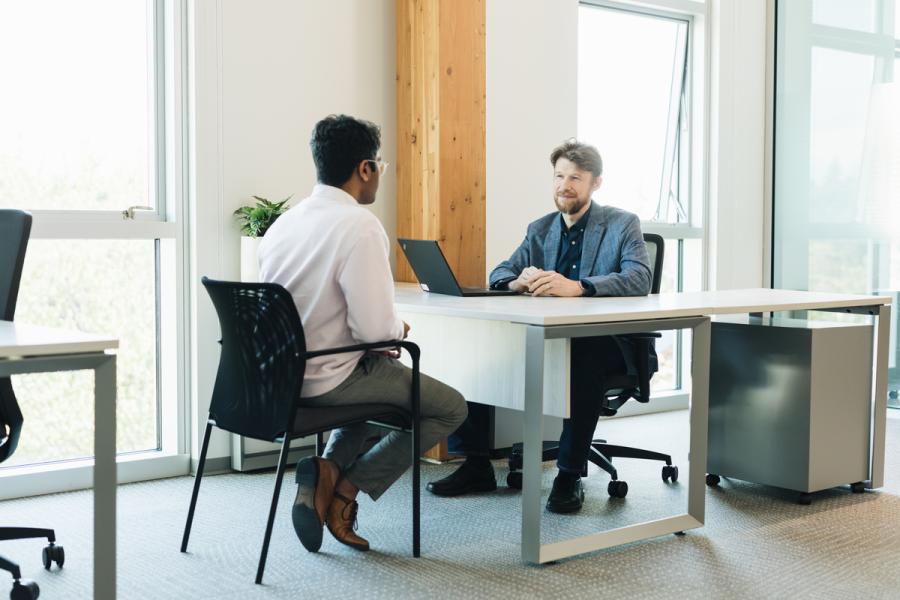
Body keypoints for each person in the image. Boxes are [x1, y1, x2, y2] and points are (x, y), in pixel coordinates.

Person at [258, 114, 467, 553]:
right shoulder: (360, 225)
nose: (379, 177)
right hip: (332, 376)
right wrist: (395, 332)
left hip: (283, 378)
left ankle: (326, 471)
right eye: (381, 167)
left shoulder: (284, 224)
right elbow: (374, 331)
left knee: (372, 379)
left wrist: (381, 338)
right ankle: (344, 491)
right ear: (365, 169)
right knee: (449, 409)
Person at [426, 139, 655, 513]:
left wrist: (579, 287)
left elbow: (639, 278)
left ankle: (568, 473)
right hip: (549, 338)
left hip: (607, 341)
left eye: (575, 178)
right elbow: (500, 271)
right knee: (478, 345)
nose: (564, 185)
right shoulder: (541, 228)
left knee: (582, 353)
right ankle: (476, 463)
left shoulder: (621, 223)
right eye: (559, 176)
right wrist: (516, 281)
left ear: (595, 183)